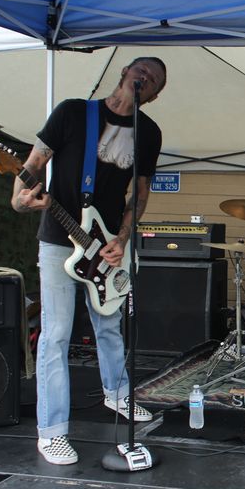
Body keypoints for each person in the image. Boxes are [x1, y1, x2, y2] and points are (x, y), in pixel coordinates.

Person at [11, 57, 167, 465]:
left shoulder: (149, 133)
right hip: (59, 239)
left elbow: (140, 193)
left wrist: (123, 238)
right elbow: (33, 165)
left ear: (154, 95)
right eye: (141, 70)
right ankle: (52, 432)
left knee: (109, 327)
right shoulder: (73, 113)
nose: (145, 77)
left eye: (154, 79)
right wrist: (20, 199)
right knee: (56, 334)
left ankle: (118, 394)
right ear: (125, 72)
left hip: (108, 243)